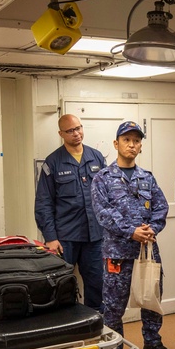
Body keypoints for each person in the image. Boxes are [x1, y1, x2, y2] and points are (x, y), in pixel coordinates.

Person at [92, 121, 173, 349]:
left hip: (146, 251)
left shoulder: (147, 178)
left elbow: (161, 207)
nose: (132, 144)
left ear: (141, 147)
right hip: (117, 253)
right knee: (114, 305)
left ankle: (152, 342)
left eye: (136, 141)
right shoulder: (103, 178)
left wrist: (151, 229)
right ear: (117, 144)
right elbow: (103, 213)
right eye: (127, 140)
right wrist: (131, 231)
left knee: (151, 298)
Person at [35, 114, 108, 313]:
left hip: (95, 236)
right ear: (61, 134)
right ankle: (66, 328)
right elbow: (43, 203)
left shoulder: (97, 157)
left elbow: (108, 195)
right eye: (70, 131)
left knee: (97, 285)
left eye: (79, 128)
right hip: (65, 237)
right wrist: (50, 238)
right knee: (61, 285)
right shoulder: (53, 162)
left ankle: (96, 325)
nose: (76, 133)